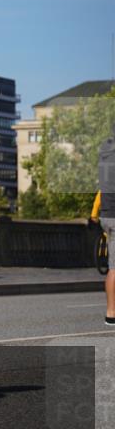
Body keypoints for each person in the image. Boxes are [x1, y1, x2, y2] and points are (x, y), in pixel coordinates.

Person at [96, 135, 115, 326]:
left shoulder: (105, 153)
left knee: (113, 266)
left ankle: (111, 313)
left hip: (107, 213)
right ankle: (111, 313)